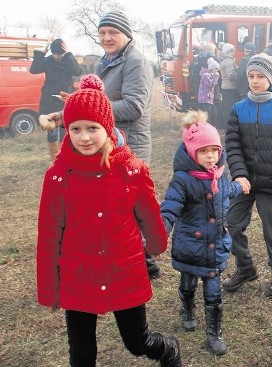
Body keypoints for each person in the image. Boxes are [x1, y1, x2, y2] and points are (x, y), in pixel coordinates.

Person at [36, 74, 181, 367]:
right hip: (78, 275)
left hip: (124, 270)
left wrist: (155, 244)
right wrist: (49, 287)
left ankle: (167, 349)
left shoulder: (131, 171)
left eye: (93, 128)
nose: (84, 137)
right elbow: (49, 236)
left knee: (137, 343)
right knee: (81, 354)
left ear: (109, 127)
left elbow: (149, 214)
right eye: (75, 129)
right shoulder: (58, 177)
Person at [160, 110, 248, 356]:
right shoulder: (182, 180)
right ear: (192, 152)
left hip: (215, 246)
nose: (210, 157)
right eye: (203, 151)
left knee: (214, 293)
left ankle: (214, 332)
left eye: (214, 150)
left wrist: (240, 186)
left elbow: (227, 191)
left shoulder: (221, 174)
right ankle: (187, 308)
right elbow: (170, 206)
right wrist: (161, 228)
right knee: (188, 284)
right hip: (191, 248)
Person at [222, 53, 272, 297]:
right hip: (243, 183)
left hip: (270, 181)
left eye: (260, 76)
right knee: (232, 224)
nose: (255, 81)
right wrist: (239, 174)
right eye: (251, 76)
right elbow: (233, 144)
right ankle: (245, 268)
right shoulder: (238, 109)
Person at [97, 11, 160, 277]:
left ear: (127, 35)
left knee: (133, 203)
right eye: (103, 33)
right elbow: (108, 98)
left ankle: (146, 261)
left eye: (113, 32)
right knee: (115, 202)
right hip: (111, 142)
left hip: (132, 143)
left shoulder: (136, 62)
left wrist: (95, 107)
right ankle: (130, 256)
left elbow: (134, 106)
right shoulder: (106, 61)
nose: (107, 38)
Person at [29, 38, 82, 161]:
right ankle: (55, 160)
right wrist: (41, 53)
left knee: (66, 132)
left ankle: (67, 158)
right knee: (51, 131)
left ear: (63, 53)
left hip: (65, 99)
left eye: (59, 53)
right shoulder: (48, 61)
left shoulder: (68, 61)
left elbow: (78, 71)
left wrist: (68, 54)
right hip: (50, 101)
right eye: (54, 53)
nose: (56, 56)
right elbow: (33, 69)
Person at [219, 43, 240, 129]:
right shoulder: (228, 61)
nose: (234, 52)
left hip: (226, 87)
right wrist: (239, 73)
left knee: (227, 107)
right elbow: (231, 75)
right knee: (230, 108)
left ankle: (226, 125)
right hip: (231, 87)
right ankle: (229, 126)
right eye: (232, 51)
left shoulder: (224, 60)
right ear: (228, 52)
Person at [198, 58, 220, 127]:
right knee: (208, 114)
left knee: (209, 113)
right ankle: (206, 127)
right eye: (216, 69)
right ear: (212, 68)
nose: (217, 71)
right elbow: (210, 84)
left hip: (207, 98)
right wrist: (216, 76)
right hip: (204, 99)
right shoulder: (206, 75)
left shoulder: (208, 75)